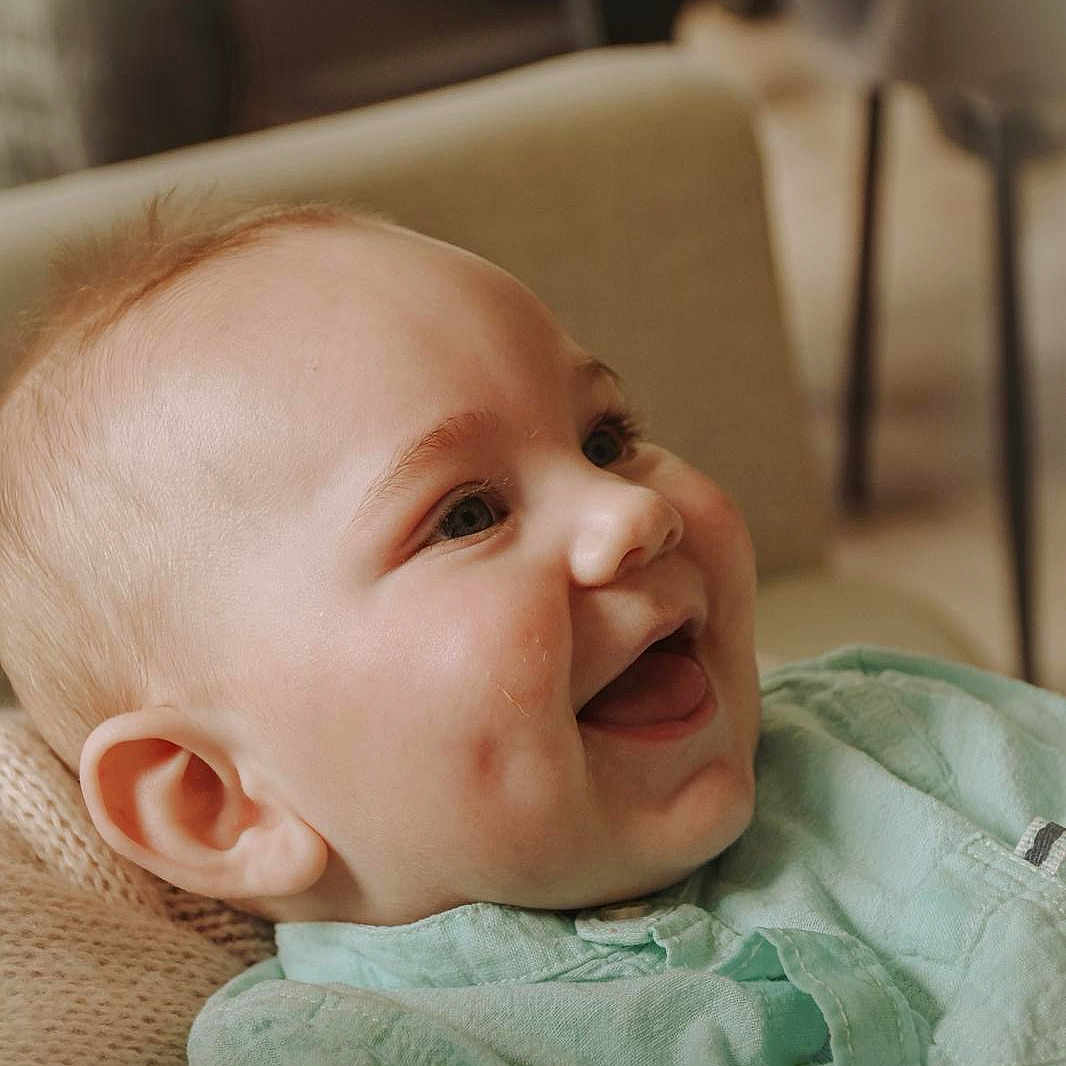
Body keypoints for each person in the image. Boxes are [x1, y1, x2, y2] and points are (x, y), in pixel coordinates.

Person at [1, 201, 1065, 1066]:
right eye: (467, 514)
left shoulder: (896, 725)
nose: (632, 513)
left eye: (605, 439)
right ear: (220, 802)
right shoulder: (352, 1049)